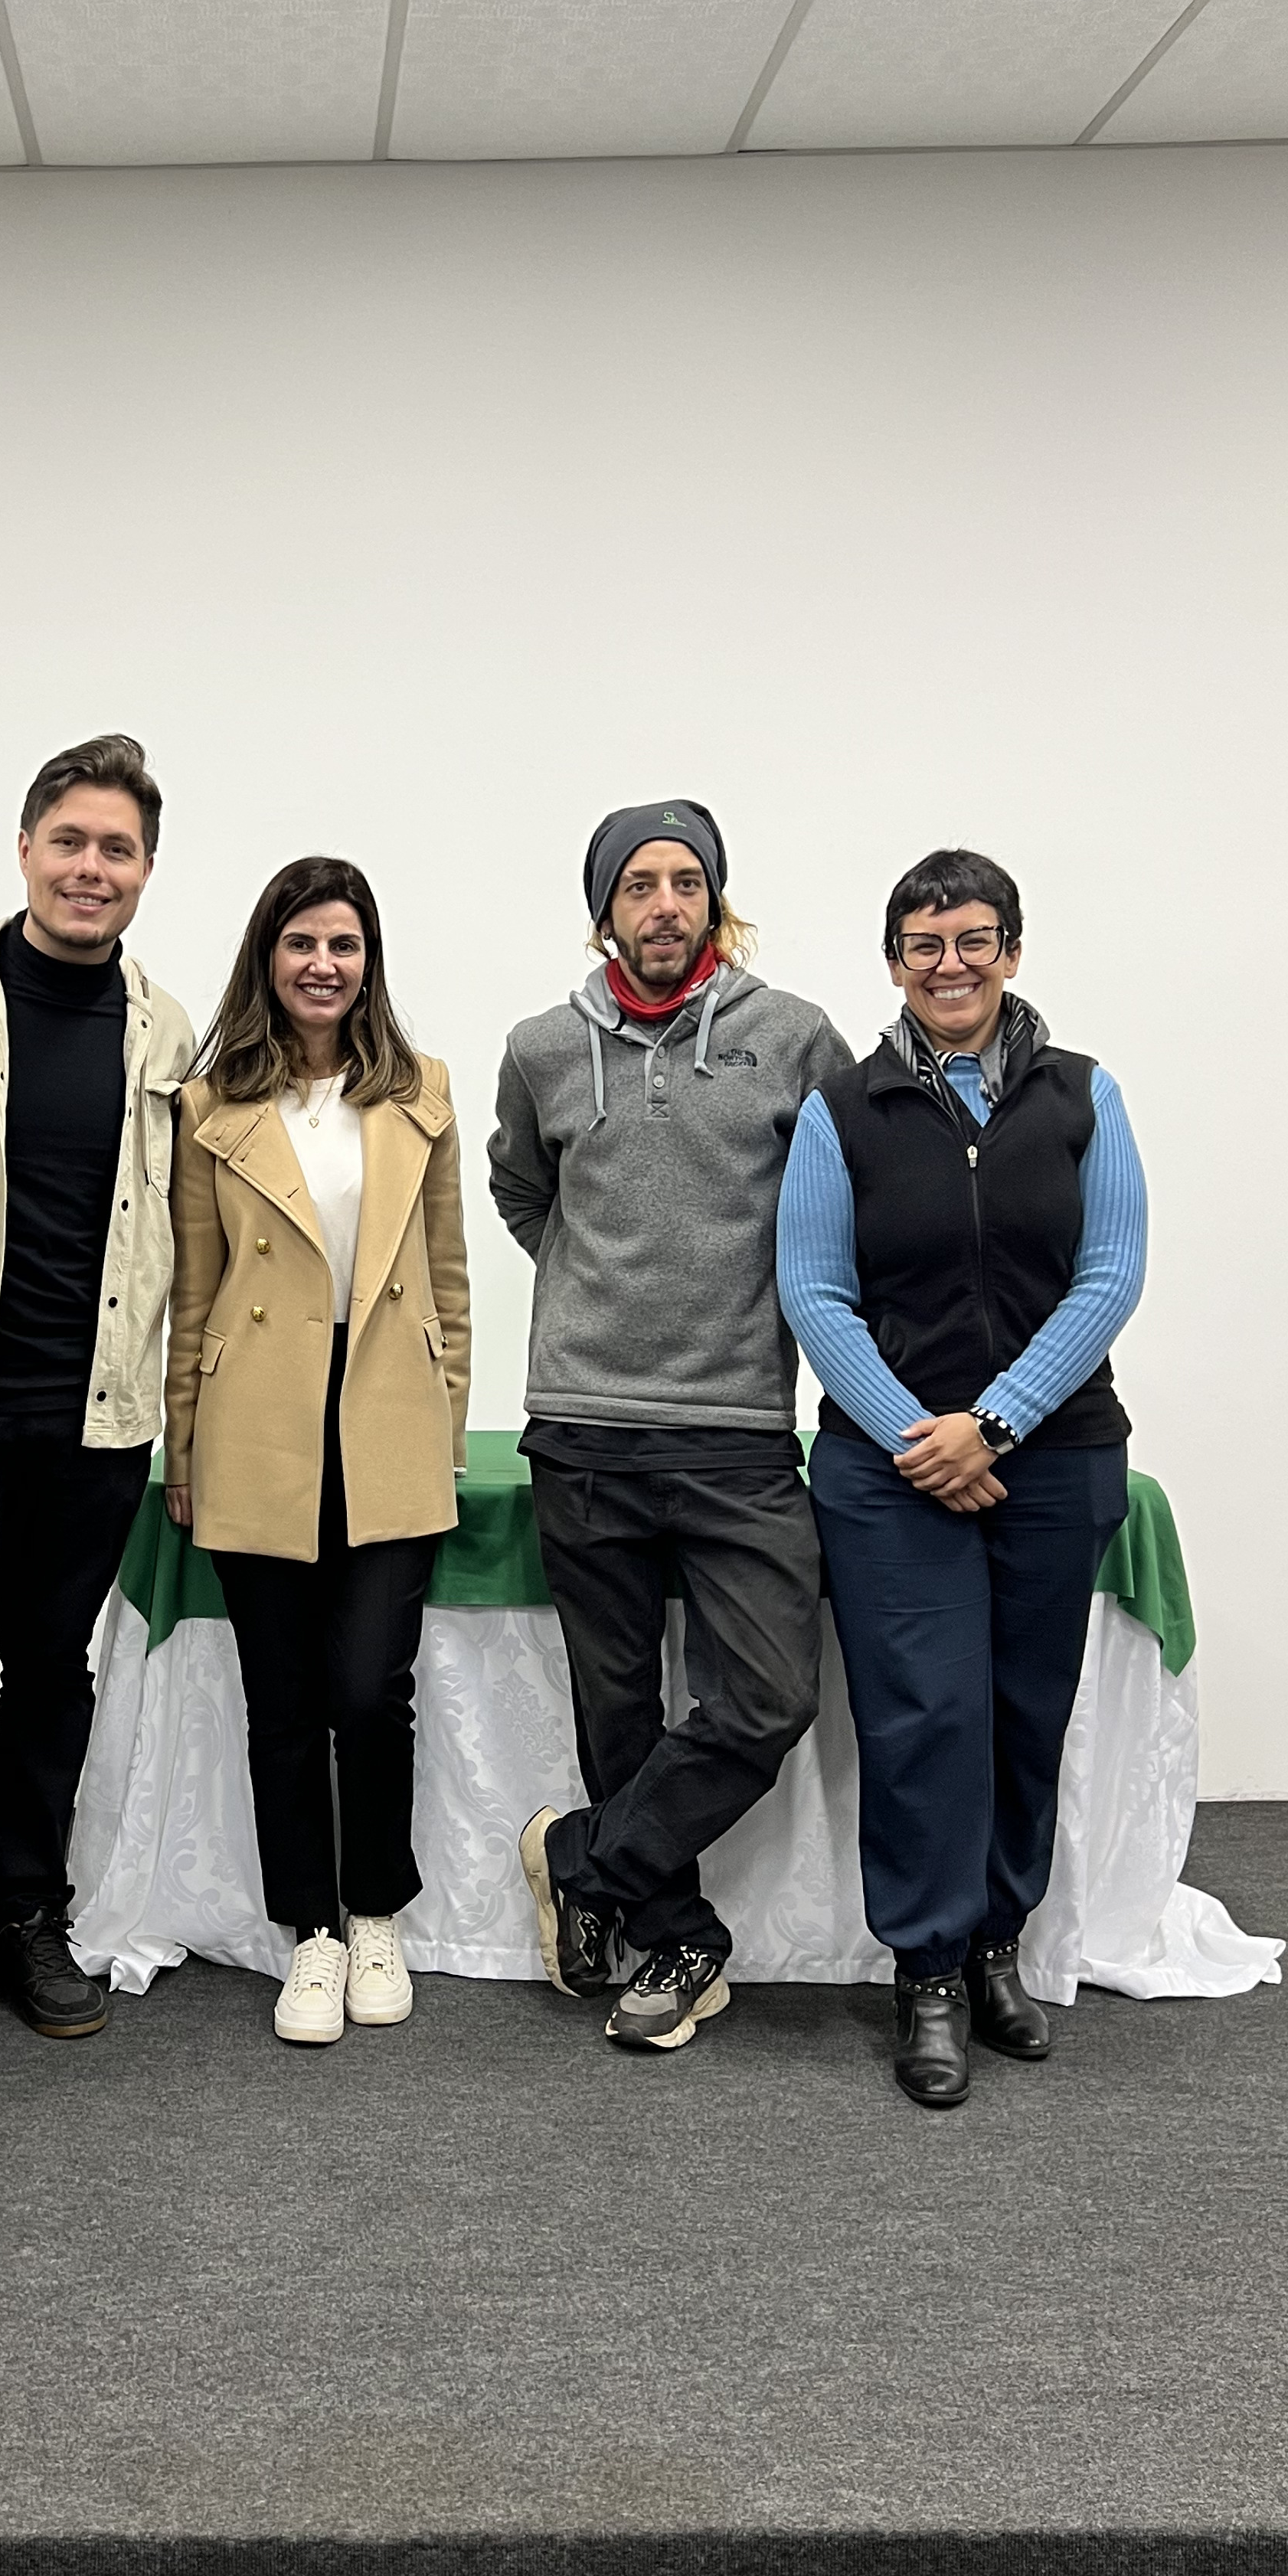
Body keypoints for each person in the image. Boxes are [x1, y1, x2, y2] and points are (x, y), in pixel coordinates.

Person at [777, 848, 1144, 2109]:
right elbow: (813, 1292)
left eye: (973, 940)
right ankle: (926, 1971)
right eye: (924, 945)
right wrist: (916, 1437)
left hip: (1055, 1457)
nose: (950, 964)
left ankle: (996, 1947)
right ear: (893, 963)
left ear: (1010, 952)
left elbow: (1110, 1274)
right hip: (889, 1474)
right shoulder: (840, 1111)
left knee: (1023, 1711)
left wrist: (992, 1424)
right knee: (923, 1717)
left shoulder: (1082, 1095)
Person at [496, 803, 852, 2056]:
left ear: (713, 901)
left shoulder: (795, 1038)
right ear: (605, 909)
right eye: (638, 884)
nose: (663, 903)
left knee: (767, 1697)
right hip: (582, 1434)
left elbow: (842, 1199)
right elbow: (522, 1191)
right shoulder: (541, 1048)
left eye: (684, 882)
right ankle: (679, 1940)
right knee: (616, 1713)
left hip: (737, 1433)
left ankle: (580, 1862)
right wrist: (592, 1294)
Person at [0, 736, 194, 2040]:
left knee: (52, 1673)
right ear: (24, 848)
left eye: (117, 849)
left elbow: (180, 1231)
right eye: (68, 840)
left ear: (145, 869)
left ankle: (29, 1916)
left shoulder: (167, 1028)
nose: (89, 867)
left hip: (97, 1414)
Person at [164, 857, 470, 2046]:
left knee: (369, 1690)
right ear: (268, 956)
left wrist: (446, 1422)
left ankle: (376, 1910)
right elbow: (195, 1290)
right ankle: (311, 1933)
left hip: (387, 1414)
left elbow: (446, 1277)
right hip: (255, 1420)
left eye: (344, 944)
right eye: (301, 943)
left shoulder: (422, 1091)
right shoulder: (212, 1106)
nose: (323, 965)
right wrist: (183, 1445)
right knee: (282, 1700)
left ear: (369, 961)